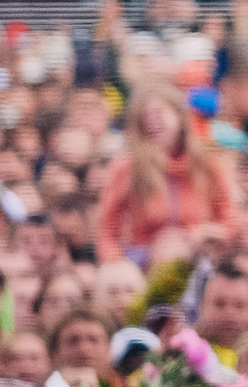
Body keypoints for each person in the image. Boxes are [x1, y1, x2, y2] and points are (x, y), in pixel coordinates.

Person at [96, 87, 238, 267]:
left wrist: (208, 232)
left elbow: (230, 219)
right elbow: (107, 230)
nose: (152, 121)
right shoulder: (126, 167)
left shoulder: (206, 164)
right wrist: (117, 266)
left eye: (158, 112)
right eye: (144, 116)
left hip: (197, 257)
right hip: (141, 261)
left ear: (179, 116)